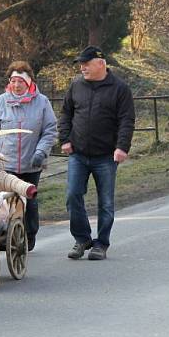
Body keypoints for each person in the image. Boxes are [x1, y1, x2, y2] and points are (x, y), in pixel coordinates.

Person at [59, 46, 135, 261]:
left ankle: (101, 244)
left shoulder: (120, 88)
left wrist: (122, 147)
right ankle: (82, 238)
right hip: (78, 153)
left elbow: (126, 120)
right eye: (80, 64)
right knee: (73, 194)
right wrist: (64, 139)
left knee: (106, 202)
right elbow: (65, 113)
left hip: (106, 156)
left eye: (86, 63)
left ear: (100, 63)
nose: (82, 67)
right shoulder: (76, 85)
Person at [0, 61, 58, 251]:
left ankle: (30, 234)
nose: (17, 85)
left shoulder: (41, 102)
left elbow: (49, 130)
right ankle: (5, 234)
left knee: (29, 199)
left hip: (31, 162)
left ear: (29, 82)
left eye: (21, 82)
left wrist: (41, 152)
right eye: (13, 81)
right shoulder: (0, 102)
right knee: (4, 200)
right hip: (5, 164)